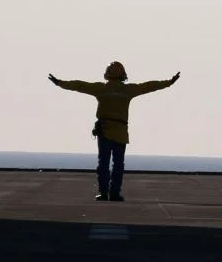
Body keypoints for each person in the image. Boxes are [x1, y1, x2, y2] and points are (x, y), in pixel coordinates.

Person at [48, 62, 180, 202]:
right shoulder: (128, 90)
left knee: (103, 163)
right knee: (118, 164)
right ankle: (115, 193)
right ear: (123, 75)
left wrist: (59, 83)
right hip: (121, 131)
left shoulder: (101, 88)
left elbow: (79, 85)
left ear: (107, 74)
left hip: (104, 130)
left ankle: (103, 193)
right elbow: (148, 86)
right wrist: (169, 82)